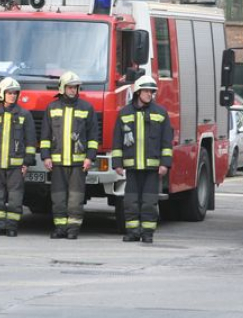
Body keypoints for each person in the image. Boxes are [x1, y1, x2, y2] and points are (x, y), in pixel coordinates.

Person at [112, 75, 173, 244]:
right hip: (131, 168)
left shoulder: (160, 113)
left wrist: (165, 164)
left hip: (152, 169)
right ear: (138, 92)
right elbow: (117, 140)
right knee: (130, 202)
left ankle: (147, 233)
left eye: (151, 92)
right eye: (146, 91)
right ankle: (132, 232)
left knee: (149, 203)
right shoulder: (124, 113)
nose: (149, 94)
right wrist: (117, 163)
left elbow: (166, 142)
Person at [41, 71, 99, 240]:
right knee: (58, 198)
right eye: (70, 87)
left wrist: (89, 157)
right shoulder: (52, 108)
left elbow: (93, 137)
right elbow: (45, 136)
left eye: (75, 87)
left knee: (76, 199)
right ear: (62, 88)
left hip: (78, 164)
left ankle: (73, 229)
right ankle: (60, 228)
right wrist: (46, 156)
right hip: (57, 163)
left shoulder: (86, 108)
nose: (73, 90)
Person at [0, 77, 36, 237]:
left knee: (15, 196)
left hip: (16, 166)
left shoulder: (24, 115)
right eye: (9, 93)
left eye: (15, 93)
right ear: (2, 94)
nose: (12, 96)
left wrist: (26, 163)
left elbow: (30, 142)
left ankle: (12, 226)